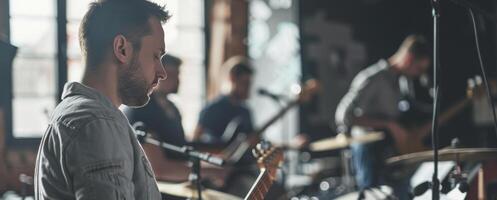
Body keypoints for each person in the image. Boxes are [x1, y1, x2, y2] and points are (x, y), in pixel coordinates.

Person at [34, 0, 170, 199]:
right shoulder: (97, 122)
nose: (162, 73)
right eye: (156, 56)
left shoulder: (81, 115)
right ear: (121, 48)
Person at [335, 35, 431, 191]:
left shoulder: (403, 82)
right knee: (372, 194)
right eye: (419, 69)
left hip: (388, 151)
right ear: (408, 58)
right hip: (367, 149)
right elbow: (343, 115)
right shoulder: (373, 78)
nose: (419, 74)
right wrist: (389, 124)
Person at [123, 54, 186, 148]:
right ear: (155, 74)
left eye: (177, 75)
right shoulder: (140, 108)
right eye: (171, 75)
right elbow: (153, 161)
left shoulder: (173, 108)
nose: (177, 80)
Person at [193, 56, 254, 144]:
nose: (247, 88)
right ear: (232, 78)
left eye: (249, 84)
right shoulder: (212, 108)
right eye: (244, 83)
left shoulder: (245, 112)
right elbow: (196, 139)